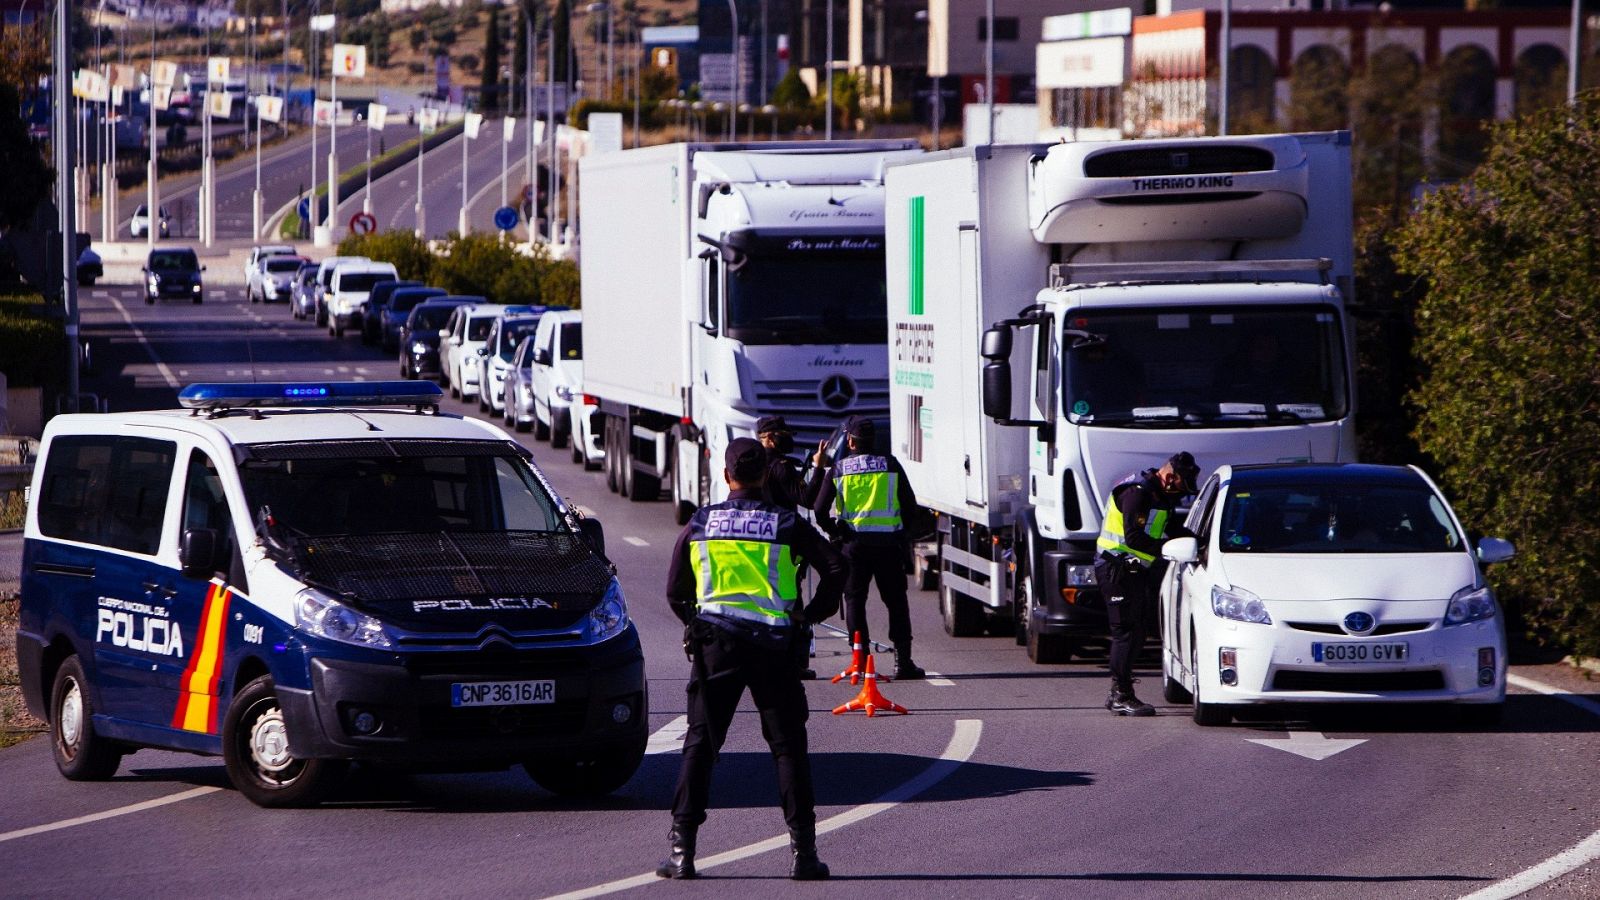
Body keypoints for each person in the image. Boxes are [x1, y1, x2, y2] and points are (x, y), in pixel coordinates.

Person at [658, 438, 845, 882]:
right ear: (765, 475)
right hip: (774, 648)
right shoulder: (784, 523)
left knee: (701, 746)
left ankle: (682, 854)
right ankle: (804, 855)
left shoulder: (701, 522)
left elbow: (674, 592)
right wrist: (808, 615)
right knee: (788, 749)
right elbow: (836, 566)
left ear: (726, 477)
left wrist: (696, 621)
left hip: (715, 645)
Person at [812, 416, 927, 680]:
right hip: (888, 545)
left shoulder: (839, 469)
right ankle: (903, 662)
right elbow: (910, 506)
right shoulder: (891, 465)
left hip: (854, 546)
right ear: (872, 440)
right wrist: (901, 533)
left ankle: (860, 662)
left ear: (850, 441)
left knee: (855, 602)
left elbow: (819, 510)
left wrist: (836, 533)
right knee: (896, 602)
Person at [1094, 451, 1201, 717]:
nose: (1181, 494)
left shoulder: (1160, 497)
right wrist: (1167, 550)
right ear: (1169, 477)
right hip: (1115, 568)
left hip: (1132, 570)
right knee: (1125, 632)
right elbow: (1133, 538)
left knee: (1139, 631)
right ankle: (1120, 695)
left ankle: (1120, 693)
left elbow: (1173, 528)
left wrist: (1201, 544)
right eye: (1180, 486)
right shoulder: (1137, 494)